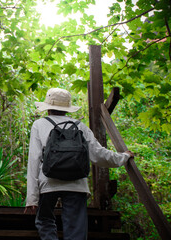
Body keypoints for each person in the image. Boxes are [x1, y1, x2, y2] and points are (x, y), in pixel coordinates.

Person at [24, 88, 134, 240]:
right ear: (67, 109)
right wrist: (124, 157)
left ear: (48, 107)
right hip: (76, 185)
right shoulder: (80, 126)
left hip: (48, 183)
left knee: (44, 220)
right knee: (75, 228)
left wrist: (32, 198)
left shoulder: (39, 125)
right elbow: (99, 155)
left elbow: (34, 161)